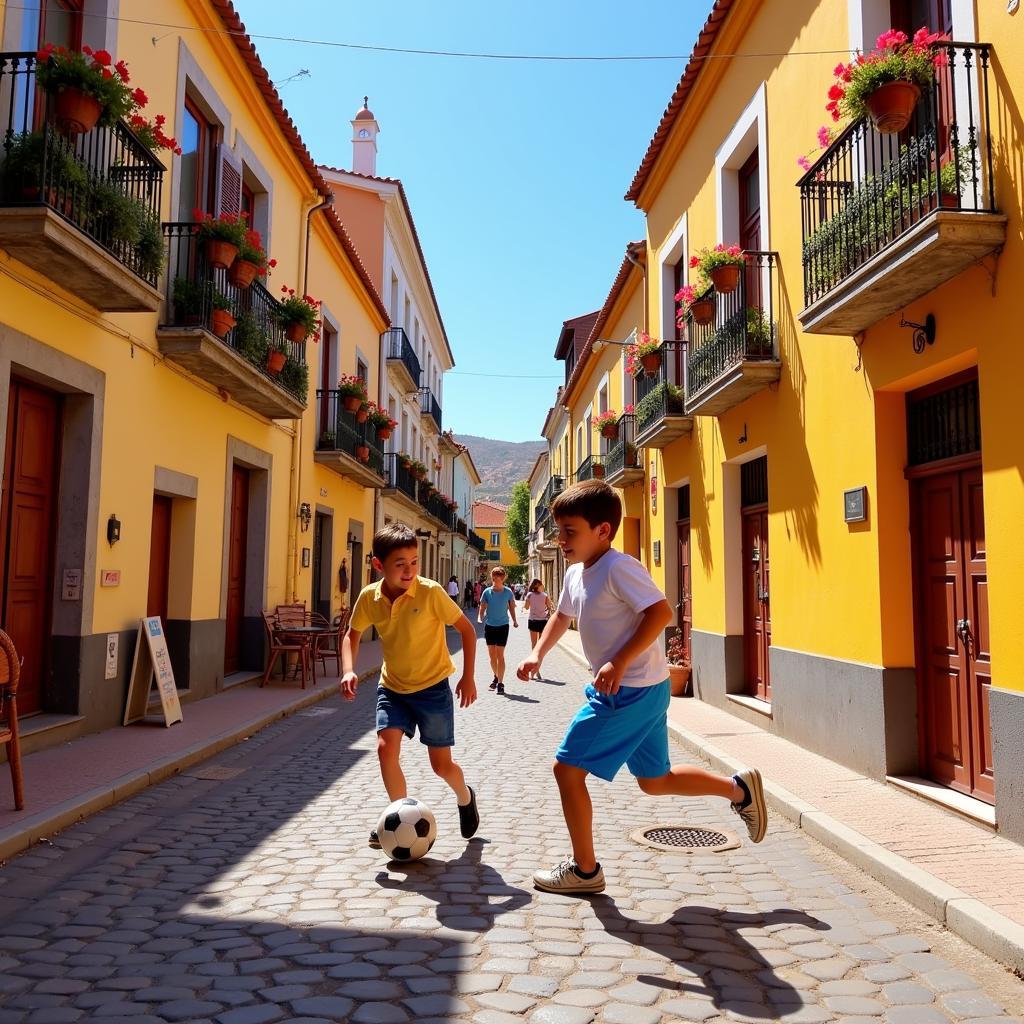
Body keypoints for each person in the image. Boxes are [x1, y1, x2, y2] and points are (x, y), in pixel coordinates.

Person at [516, 480, 767, 894]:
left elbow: (660, 612)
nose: (561, 540)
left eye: (570, 531)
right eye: (559, 531)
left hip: (627, 691)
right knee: (656, 780)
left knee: (566, 770)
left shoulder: (619, 567)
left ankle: (584, 871)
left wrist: (619, 660)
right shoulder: (577, 573)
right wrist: (537, 655)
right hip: (643, 689)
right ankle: (738, 789)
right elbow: (561, 617)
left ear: (603, 531)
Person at [341, 523, 480, 848]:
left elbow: (467, 630)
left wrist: (469, 676)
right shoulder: (369, 598)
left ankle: (465, 795)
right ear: (379, 565)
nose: (409, 570)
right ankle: (395, 817)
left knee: (441, 765)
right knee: (385, 749)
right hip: (393, 689)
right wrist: (349, 670)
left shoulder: (430, 592)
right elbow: (352, 635)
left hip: (433, 689)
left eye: (414, 562)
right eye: (400, 564)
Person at [478, 566, 518, 695]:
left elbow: (511, 608)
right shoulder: (487, 592)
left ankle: (500, 683)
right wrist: (480, 617)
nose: (495, 578)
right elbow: (482, 607)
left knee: (500, 655)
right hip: (490, 626)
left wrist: (515, 620)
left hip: (503, 626)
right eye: (494, 575)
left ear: (503, 577)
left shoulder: (508, 592)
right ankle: (496, 676)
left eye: (498, 576)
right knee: (492, 656)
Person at [523, 578, 554, 680]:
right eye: (541, 585)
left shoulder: (529, 595)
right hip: (543, 622)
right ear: (537, 585)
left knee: (534, 645)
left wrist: (528, 603)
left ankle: (535, 669)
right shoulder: (545, 596)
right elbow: (549, 607)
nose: (542, 586)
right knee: (540, 647)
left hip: (533, 621)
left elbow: (526, 607)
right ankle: (537, 670)